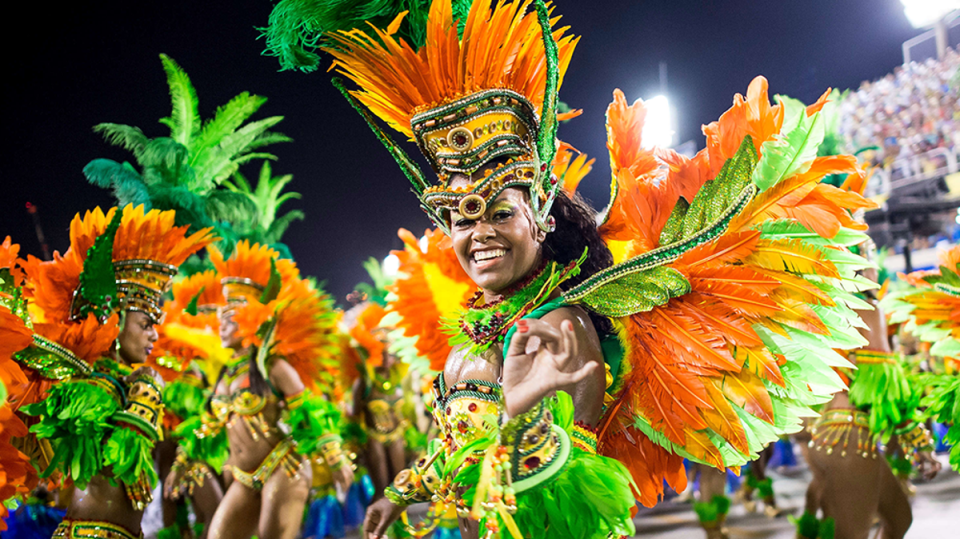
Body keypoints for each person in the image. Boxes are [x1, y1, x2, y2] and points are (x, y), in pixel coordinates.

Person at [262, 1, 878, 537]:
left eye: (498, 213)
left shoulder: (556, 325)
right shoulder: (485, 325)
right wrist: (404, 492)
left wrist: (527, 436)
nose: (478, 233)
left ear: (541, 219)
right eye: (459, 218)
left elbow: (580, 482)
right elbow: (459, 441)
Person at [15, 205, 214, 539]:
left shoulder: (119, 382)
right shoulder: (91, 386)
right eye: (145, 324)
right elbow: (112, 463)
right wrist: (147, 393)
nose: (154, 335)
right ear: (115, 321)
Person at [195, 241, 351, 539]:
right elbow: (207, 426)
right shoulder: (225, 374)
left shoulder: (272, 366)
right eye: (220, 319)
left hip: (283, 466)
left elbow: (310, 410)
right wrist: (184, 459)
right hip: (243, 476)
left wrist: (334, 457)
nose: (220, 326)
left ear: (249, 320)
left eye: (229, 319)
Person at [154, 270, 231, 539]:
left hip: (215, 446)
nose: (212, 319)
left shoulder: (227, 357)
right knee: (200, 506)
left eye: (218, 312)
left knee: (218, 513)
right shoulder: (176, 347)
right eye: (206, 311)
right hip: (188, 448)